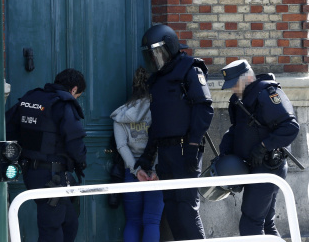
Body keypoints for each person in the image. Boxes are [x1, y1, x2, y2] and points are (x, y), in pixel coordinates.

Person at [135, 24, 213, 240]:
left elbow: (204, 109)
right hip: (166, 152)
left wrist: (193, 146)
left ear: (170, 48)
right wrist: (146, 158)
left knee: (187, 210)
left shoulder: (190, 69)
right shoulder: (157, 80)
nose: (155, 59)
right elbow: (158, 123)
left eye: (158, 53)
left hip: (185, 149)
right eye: (150, 55)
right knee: (171, 210)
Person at [219, 59, 299, 237]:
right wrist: (225, 150)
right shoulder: (239, 100)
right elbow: (238, 128)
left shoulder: (267, 94)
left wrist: (264, 146)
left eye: (235, 84)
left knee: (250, 224)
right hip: (253, 168)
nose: (233, 89)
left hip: (268, 167)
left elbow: (290, 127)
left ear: (247, 77)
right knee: (266, 224)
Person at [5, 68, 87, 242]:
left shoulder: (30, 98)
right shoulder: (63, 104)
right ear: (73, 90)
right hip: (51, 176)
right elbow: (75, 141)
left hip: (33, 172)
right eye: (78, 95)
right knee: (52, 229)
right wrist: (81, 162)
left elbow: (8, 128)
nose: (76, 98)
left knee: (69, 222)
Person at [110, 67, 164, 242]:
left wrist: (135, 170)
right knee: (152, 221)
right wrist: (155, 170)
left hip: (132, 172)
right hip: (155, 174)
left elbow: (121, 146)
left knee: (133, 221)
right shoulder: (160, 111)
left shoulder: (121, 114)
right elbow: (162, 143)